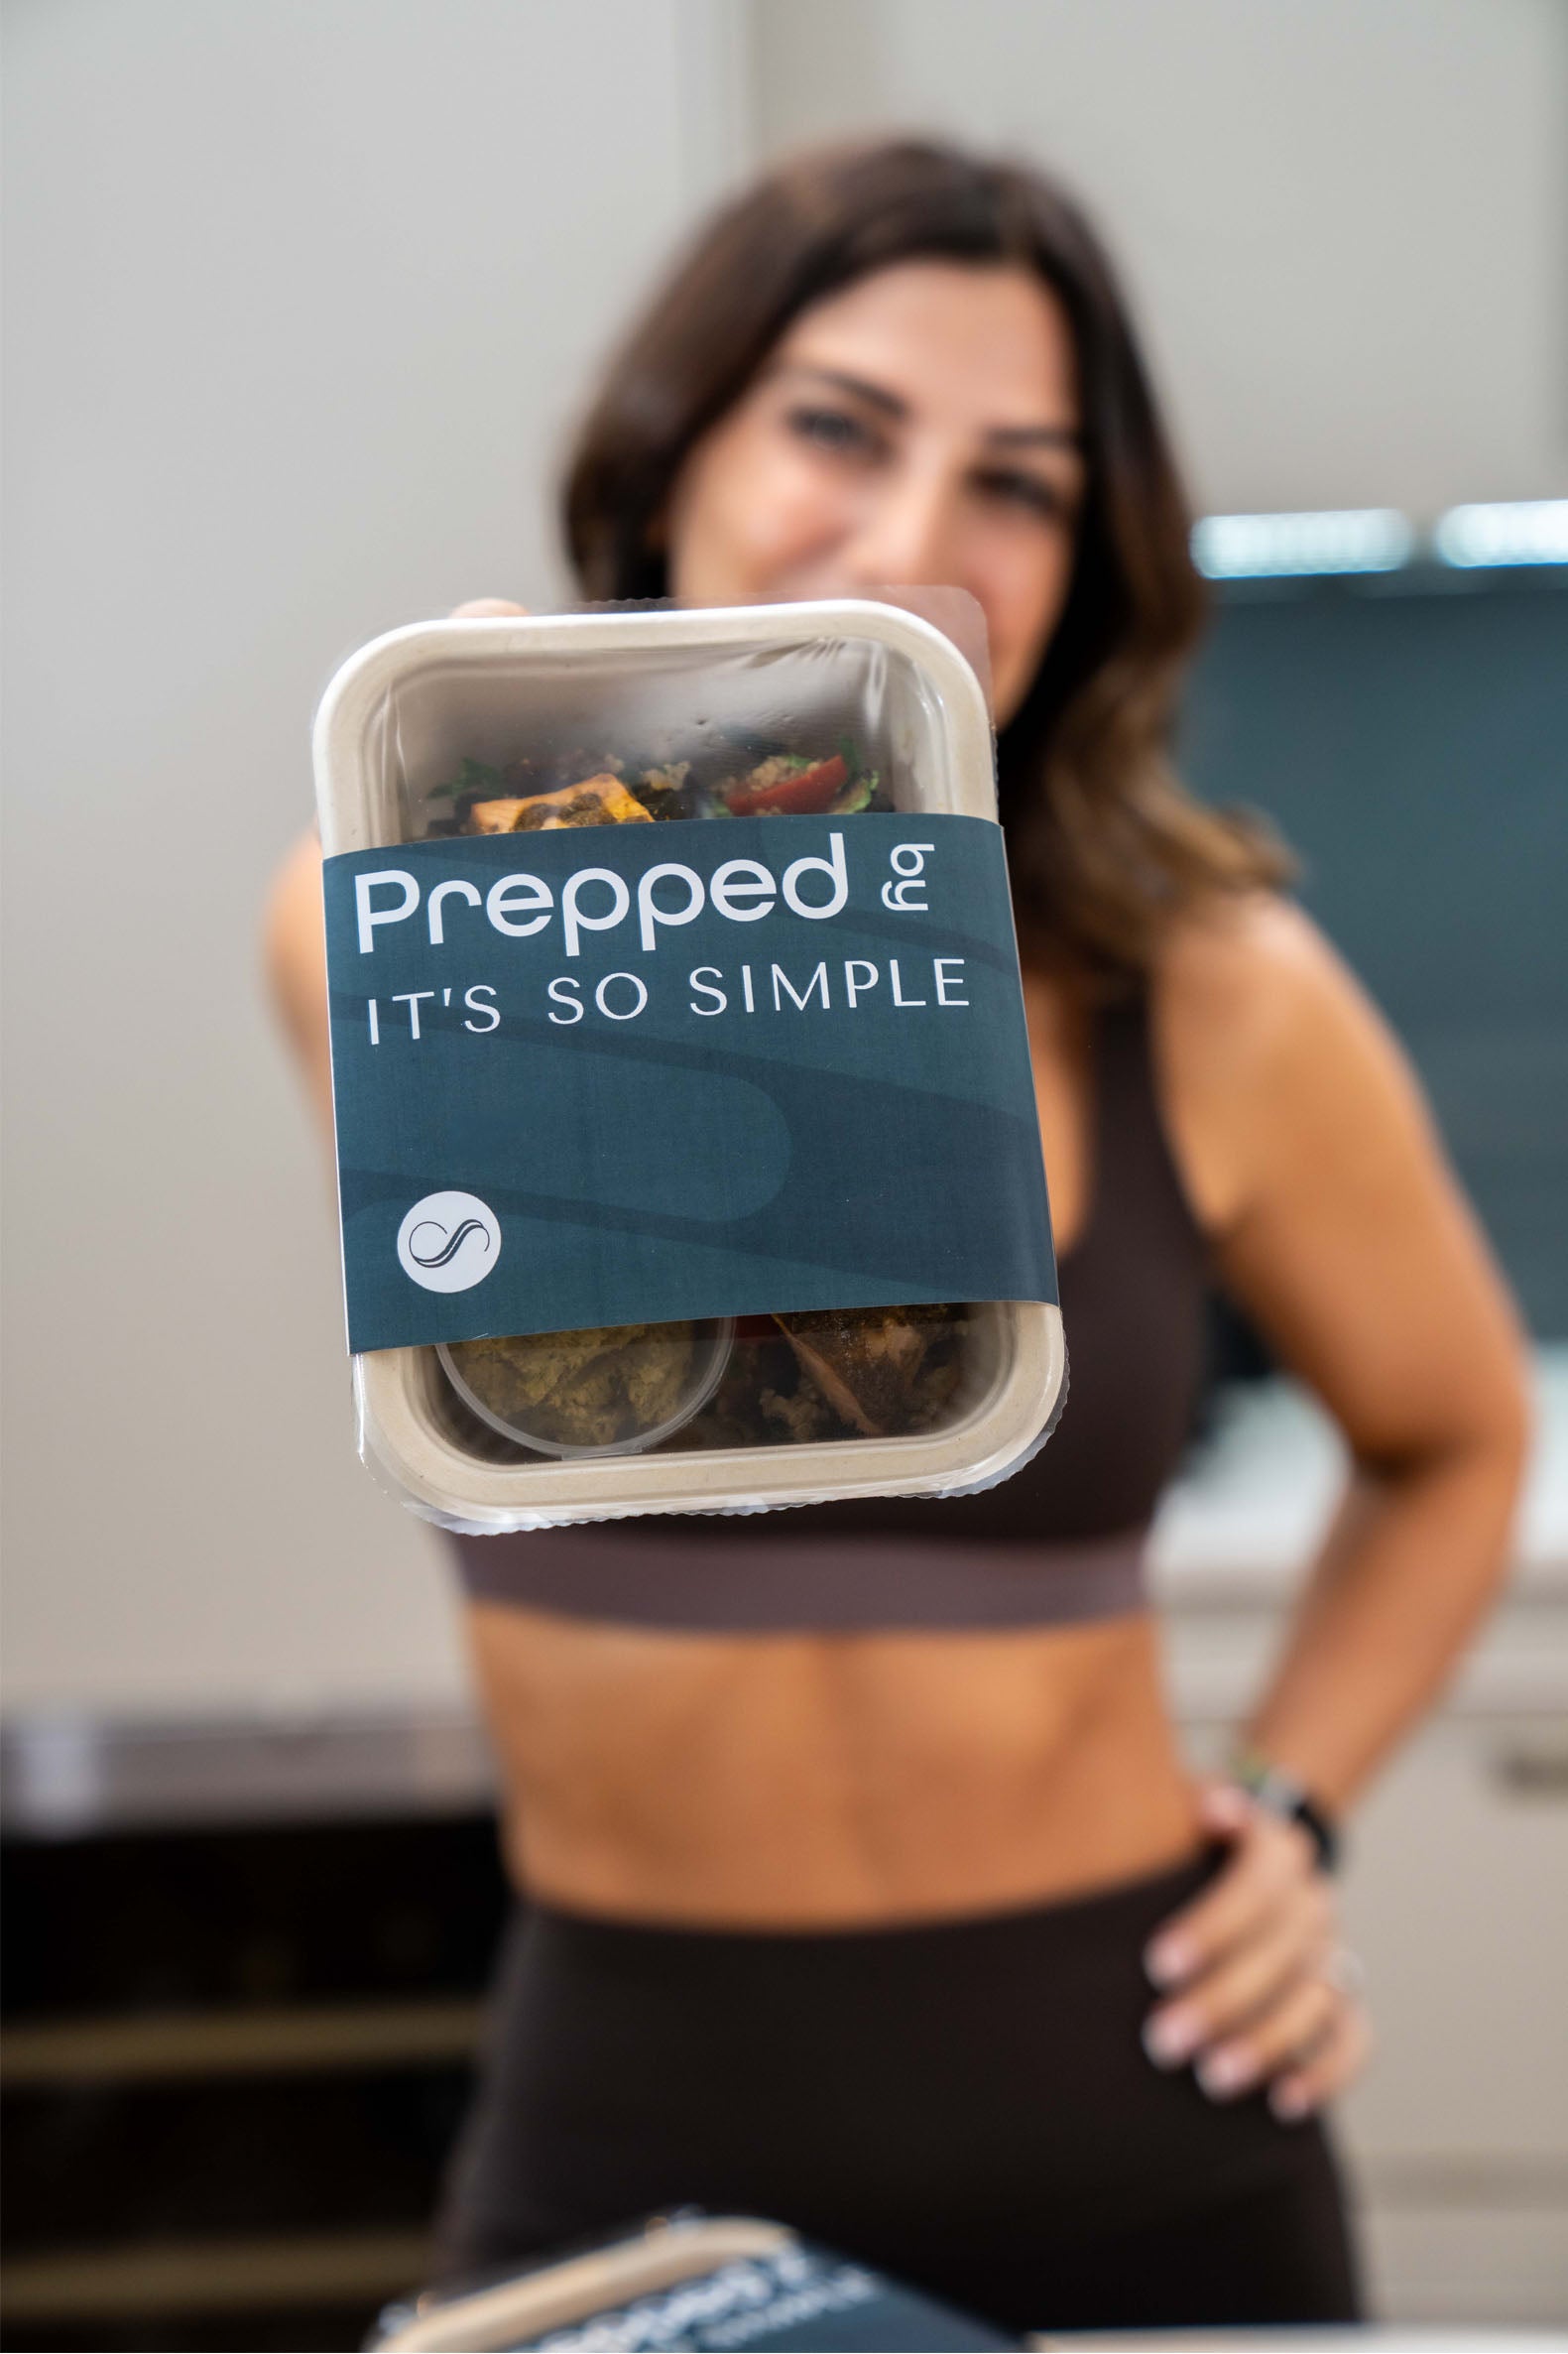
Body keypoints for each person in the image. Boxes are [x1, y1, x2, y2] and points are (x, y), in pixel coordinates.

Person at [265, 141, 1529, 2333]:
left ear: (1086, 562)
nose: (922, 538)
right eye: (838, 428)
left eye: (1019, 485)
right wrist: (517, 799)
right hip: (618, 2152)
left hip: (1143, 2130)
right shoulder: (368, 918)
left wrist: (1289, 1807)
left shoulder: (1213, 989)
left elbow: (1455, 1435)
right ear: (676, 452)